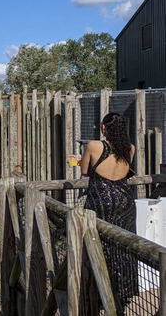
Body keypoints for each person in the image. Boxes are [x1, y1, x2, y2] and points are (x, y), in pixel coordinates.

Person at [67, 112, 137, 312]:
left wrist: (78, 161)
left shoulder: (95, 146)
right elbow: (120, 169)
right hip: (125, 202)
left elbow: (86, 172)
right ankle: (121, 294)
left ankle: (98, 292)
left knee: (100, 245)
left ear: (104, 128)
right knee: (123, 247)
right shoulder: (129, 148)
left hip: (101, 201)